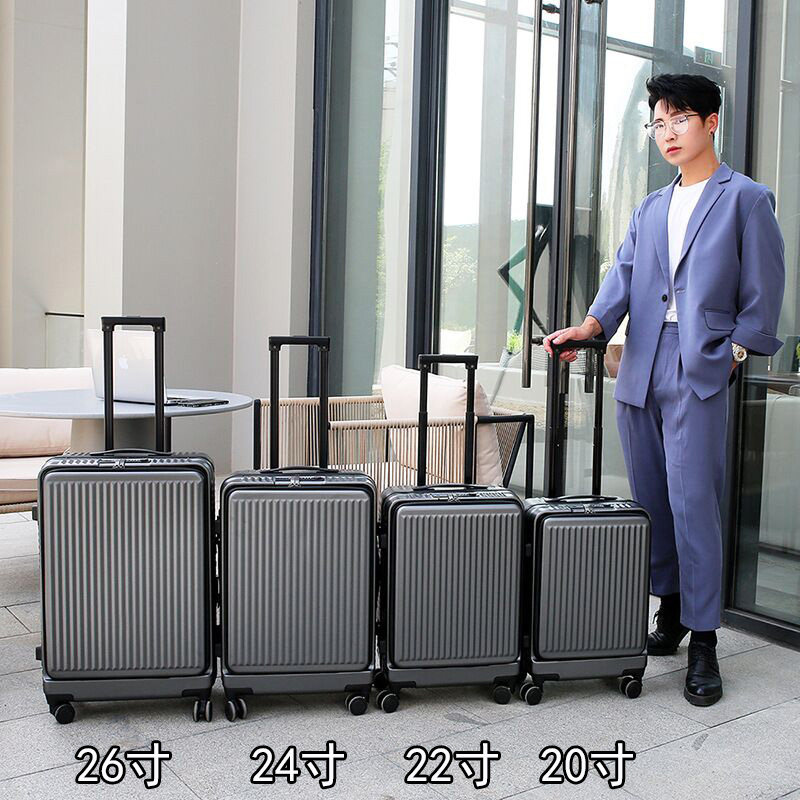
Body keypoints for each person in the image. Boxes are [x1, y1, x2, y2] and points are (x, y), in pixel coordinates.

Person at [543, 73, 785, 707]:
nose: (667, 132)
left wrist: (733, 354)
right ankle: (671, 607)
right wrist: (591, 326)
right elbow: (624, 275)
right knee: (651, 497)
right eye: (657, 122)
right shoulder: (650, 207)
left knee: (693, 499)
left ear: (710, 122)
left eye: (679, 118)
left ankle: (704, 639)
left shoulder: (746, 199)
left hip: (700, 363)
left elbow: (763, 293)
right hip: (640, 361)